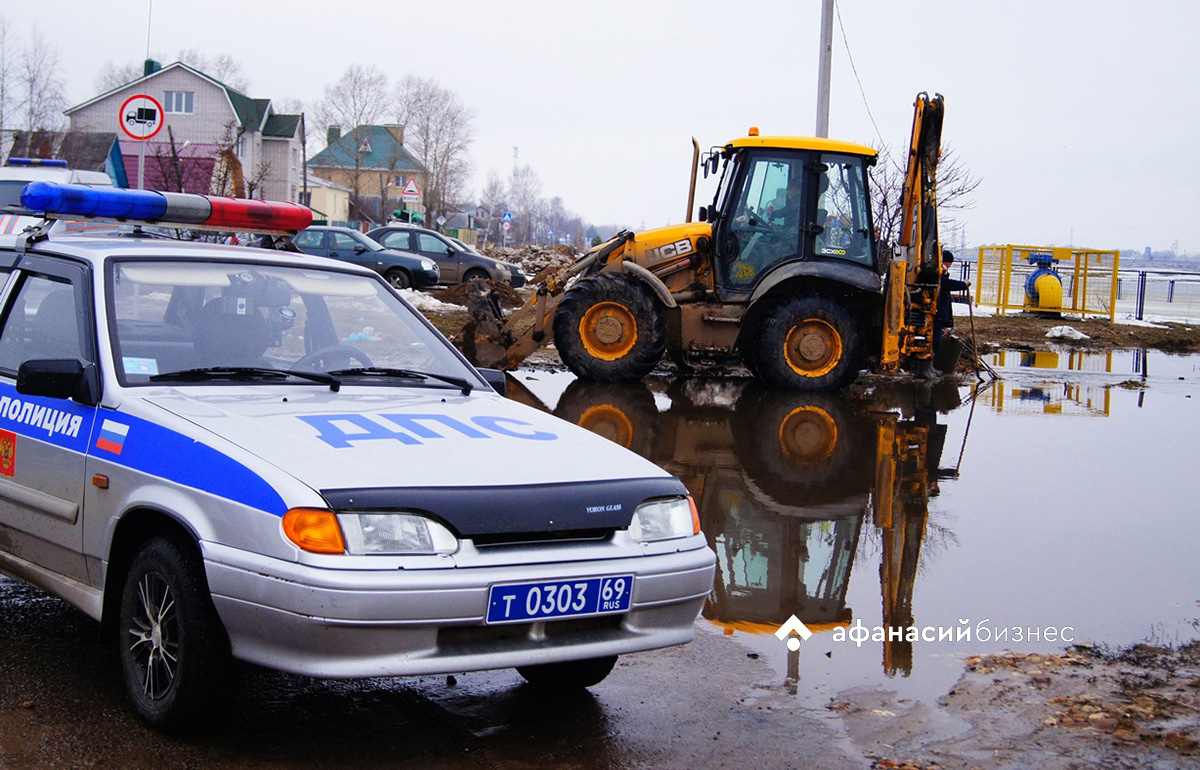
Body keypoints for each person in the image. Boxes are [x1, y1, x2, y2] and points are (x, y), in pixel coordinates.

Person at [921, 249, 970, 378]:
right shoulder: (936, 276)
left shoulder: (939, 275)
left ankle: (930, 367)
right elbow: (946, 284)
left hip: (939, 314)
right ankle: (924, 369)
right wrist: (962, 285)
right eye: (947, 264)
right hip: (936, 313)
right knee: (932, 342)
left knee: (935, 342)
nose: (948, 267)